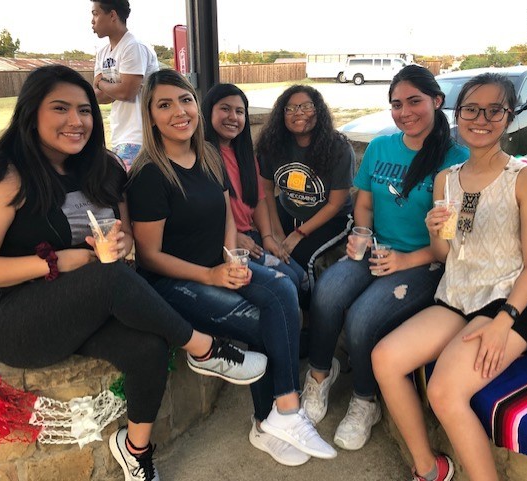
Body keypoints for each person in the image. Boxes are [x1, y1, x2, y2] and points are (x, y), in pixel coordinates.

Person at [0, 65, 267, 481]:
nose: (76, 121)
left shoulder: (100, 168)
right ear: (31, 113)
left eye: (85, 110)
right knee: (109, 278)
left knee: (149, 347)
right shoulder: (1, 175)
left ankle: (135, 450)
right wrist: (58, 261)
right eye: (60, 109)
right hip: (13, 317)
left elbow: (124, 241)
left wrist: (121, 246)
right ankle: (206, 350)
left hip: (82, 302)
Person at [127, 69, 337, 467]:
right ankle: (266, 421)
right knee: (262, 322)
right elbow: (149, 255)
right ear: (150, 116)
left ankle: (284, 412)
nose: (179, 112)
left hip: (216, 264)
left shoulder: (206, 155)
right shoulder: (149, 175)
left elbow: (226, 209)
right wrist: (209, 274)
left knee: (284, 291)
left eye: (185, 100)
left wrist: (230, 256)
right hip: (173, 282)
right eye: (164, 104)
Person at [371, 72, 527, 481]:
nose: (480, 119)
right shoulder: (445, 181)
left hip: (510, 300)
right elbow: (445, 255)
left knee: (444, 392)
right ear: (457, 113)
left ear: (509, 115)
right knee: (385, 358)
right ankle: (430, 468)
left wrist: (504, 322)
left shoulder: (524, 178)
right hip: (458, 293)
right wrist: (436, 229)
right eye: (471, 109)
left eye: (494, 110)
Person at [302, 65, 469, 451]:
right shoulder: (380, 146)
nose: (404, 111)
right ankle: (319, 375)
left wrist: (404, 261)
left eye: (415, 101)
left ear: (437, 101)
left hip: (424, 262)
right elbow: (363, 203)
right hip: (376, 249)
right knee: (327, 290)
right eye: (396, 104)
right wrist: (363, 238)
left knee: (363, 317)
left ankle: (365, 399)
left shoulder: (455, 160)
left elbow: (449, 241)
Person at [201, 83, 308, 299]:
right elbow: (202, 210)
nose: (233, 116)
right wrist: (233, 237)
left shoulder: (245, 155)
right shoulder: (203, 156)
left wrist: (268, 237)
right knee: (287, 281)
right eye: (225, 108)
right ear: (208, 110)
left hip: (253, 236)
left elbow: (259, 199)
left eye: (239, 111)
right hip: (228, 243)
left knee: (300, 276)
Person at [255, 85, 355, 288]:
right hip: (288, 208)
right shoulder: (273, 143)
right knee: (263, 245)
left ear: (318, 111)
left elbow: (335, 204)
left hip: (331, 217)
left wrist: (297, 235)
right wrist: (275, 231)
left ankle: (309, 311)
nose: (298, 112)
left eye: (306, 106)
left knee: (301, 258)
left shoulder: (339, 149)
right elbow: (265, 190)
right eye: (290, 108)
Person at [91, 0, 159, 170]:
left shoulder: (133, 47)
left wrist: (101, 82)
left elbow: (127, 92)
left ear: (112, 15)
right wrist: (112, 87)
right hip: (119, 135)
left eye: (96, 13)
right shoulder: (102, 53)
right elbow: (97, 96)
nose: (92, 20)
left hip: (141, 136)